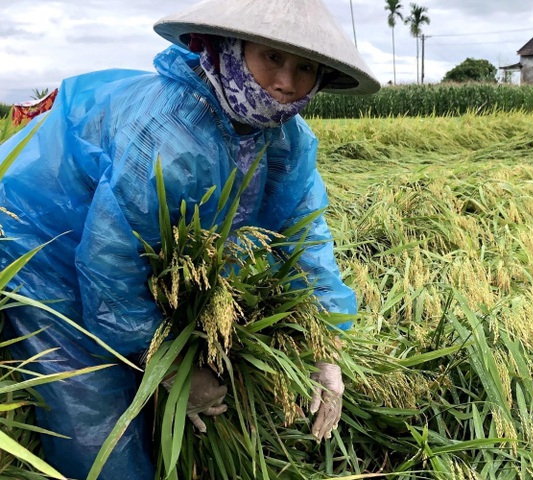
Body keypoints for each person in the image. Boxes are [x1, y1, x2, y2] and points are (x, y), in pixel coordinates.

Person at [0, 0, 379, 478]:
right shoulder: (166, 134)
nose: (285, 82)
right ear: (230, 49)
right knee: (94, 407)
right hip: (41, 231)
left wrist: (326, 350)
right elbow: (111, 265)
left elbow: (305, 239)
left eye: (305, 68)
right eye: (271, 58)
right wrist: (168, 364)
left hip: (130, 245)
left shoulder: (286, 140)